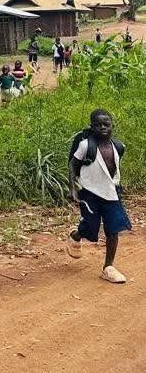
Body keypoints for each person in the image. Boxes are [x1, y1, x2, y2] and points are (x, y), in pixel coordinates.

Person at [66, 110, 131, 283]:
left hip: (111, 193)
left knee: (113, 228)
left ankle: (108, 267)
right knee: (90, 228)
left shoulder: (118, 146)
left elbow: (113, 167)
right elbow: (73, 164)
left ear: (112, 126)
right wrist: (73, 188)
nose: (102, 127)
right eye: (98, 125)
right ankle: (76, 235)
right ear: (92, 127)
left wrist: (117, 183)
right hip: (89, 193)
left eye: (106, 124)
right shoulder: (85, 146)